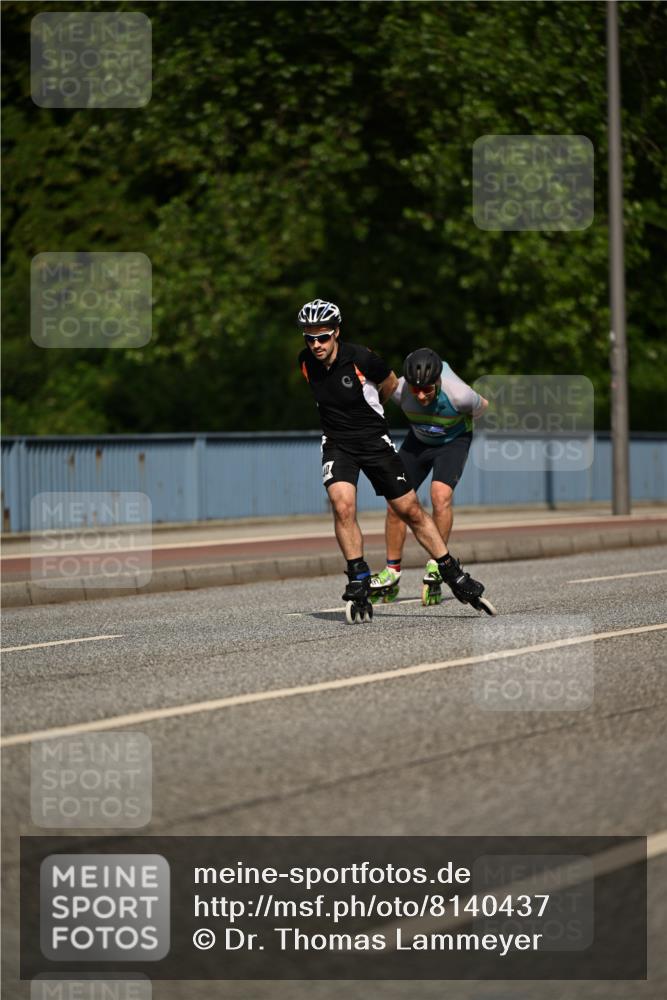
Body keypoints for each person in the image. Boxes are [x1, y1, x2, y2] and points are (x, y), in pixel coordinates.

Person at [297, 299, 491, 616]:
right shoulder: (305, 362)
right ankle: (358, 577)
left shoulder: (363, 358)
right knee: (342, 503)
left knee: (409, 509)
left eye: (323, 336)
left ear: (336, 333)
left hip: (373, 440)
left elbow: (389, 388)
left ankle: (453, 572)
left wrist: (369, 418)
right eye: (310, 337)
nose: (316, 344)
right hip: (336, 442)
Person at [370, 347, 488, 605]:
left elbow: (483, 407)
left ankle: (437, 563)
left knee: (440, 496)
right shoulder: (399, 390)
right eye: (416, 390)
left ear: (438, 382)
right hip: (419, 441)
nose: (421, 396)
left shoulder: (460, 395)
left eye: (428, 390)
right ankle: (392, 571)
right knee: (396, 502)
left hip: (453, 442)